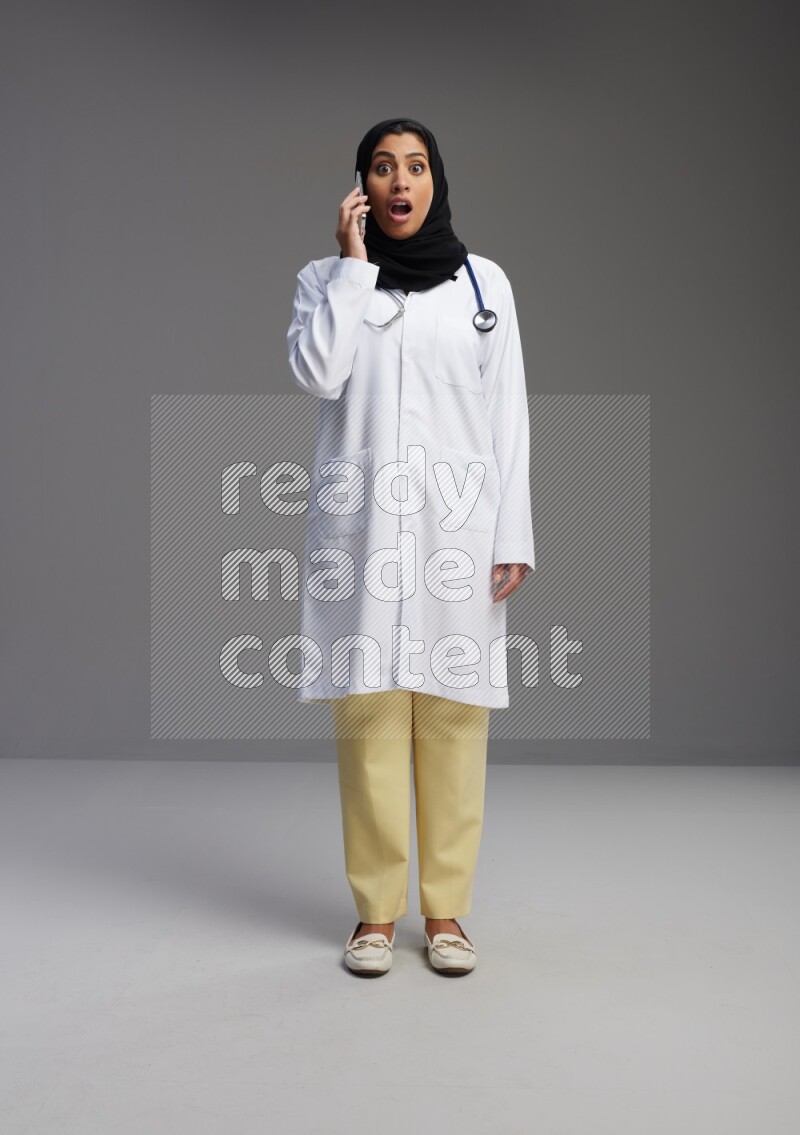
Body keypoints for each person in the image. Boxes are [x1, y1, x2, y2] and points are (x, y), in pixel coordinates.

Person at [287, 118, 535, 976]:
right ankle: (375, 917)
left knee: (454, 720)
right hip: (364, 533)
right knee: (369, 720)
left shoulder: (485, 284)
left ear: (436, 181)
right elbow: (319, 373)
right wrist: (353, 269)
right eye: (384, 167)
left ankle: (448, 912)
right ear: (361, 186)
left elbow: (509, 417)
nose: (402, 181)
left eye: (417, 166)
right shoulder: (325, 282)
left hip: (455, 532)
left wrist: (512, 534)